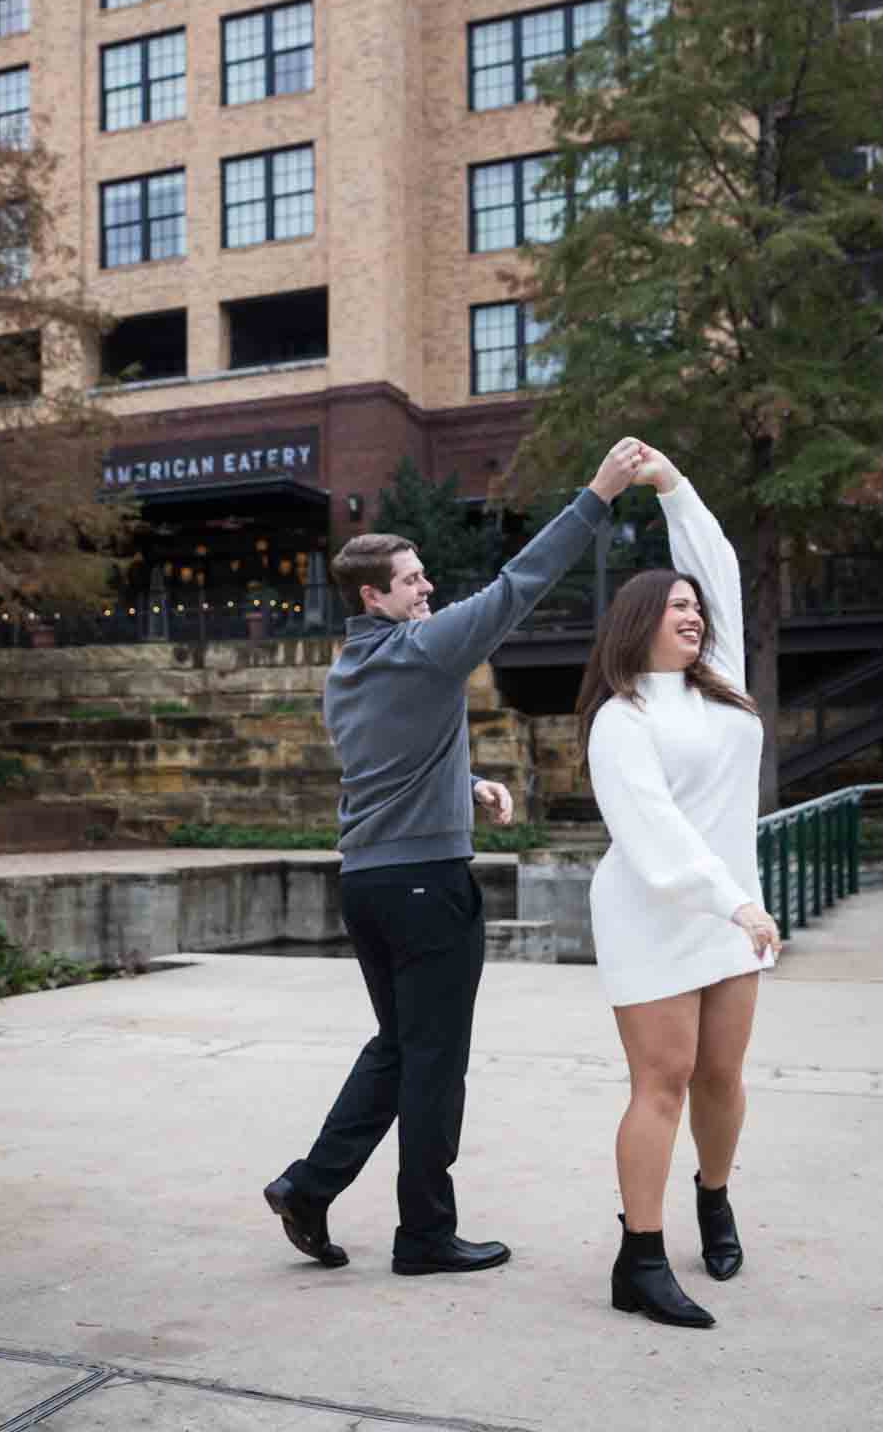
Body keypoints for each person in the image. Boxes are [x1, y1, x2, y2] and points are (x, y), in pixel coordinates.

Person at [265, 435, 648, 1276]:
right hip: (425, 888)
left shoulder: (350, 669)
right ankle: (425, 1237)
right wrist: (597, 493)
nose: (427, 586)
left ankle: (308, 1186)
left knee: (399, 1047)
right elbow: (519, 586)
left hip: (366, 881)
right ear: (374, 595)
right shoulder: (426, 647)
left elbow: (388, 758)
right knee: (435, 1063)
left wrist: (464, 782)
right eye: (412, 580)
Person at [576, 446, 782, 1330]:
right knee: (662, 1079)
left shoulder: (723, 686)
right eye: (674, 607)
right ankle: (640, 1259)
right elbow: (651, 831)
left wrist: (674, 487)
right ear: (637, 622)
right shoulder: (621, 717)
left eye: (694, 607)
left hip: (731, 911)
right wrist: (730, 897)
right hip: (655, 910)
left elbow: (719, 568)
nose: (692, 615)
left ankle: (714, 1196)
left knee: (722, 1080)